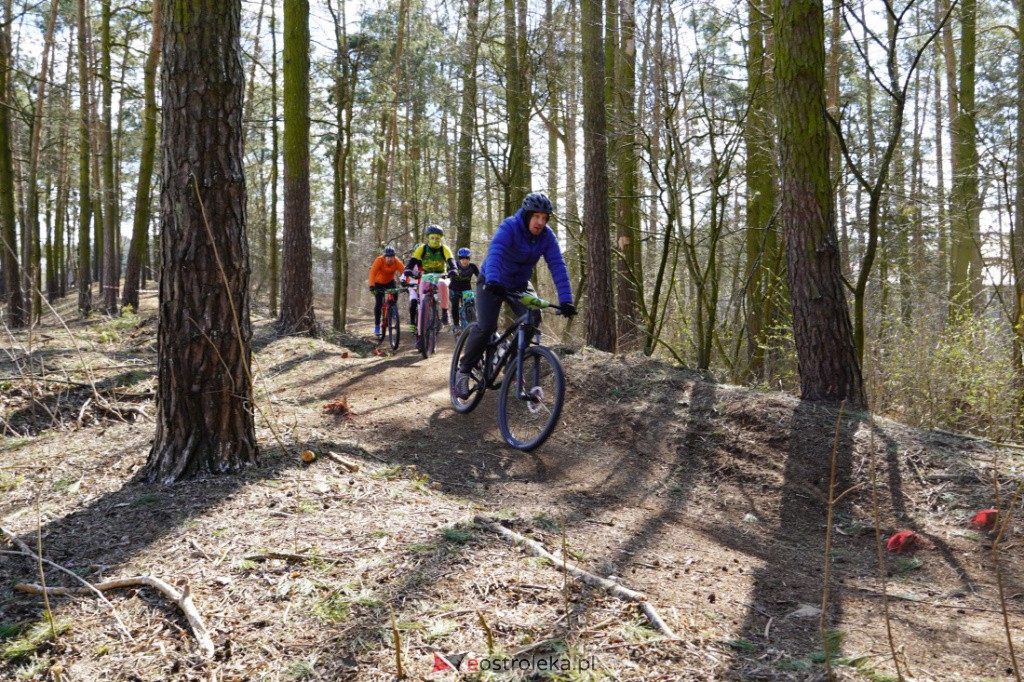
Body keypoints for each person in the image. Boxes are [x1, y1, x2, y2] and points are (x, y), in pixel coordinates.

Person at [454, 192, 576, 399]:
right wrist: (493, 279)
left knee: (533, 318)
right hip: (492, 281)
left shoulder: (547, 237)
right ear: (527, 215)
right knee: (486, 326)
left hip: (519, 284)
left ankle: (511, 364)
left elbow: (558, 267)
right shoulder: (510, 226)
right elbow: (495, 252)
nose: (540, 222)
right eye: (536, 217)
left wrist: (566, 300)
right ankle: (463, 371)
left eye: (544, 218)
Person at [404, 225, 458, 333]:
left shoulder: (444, 249)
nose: (435, 240)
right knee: (421, 305)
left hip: (441, 275)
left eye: (437, 238)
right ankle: (420, 335)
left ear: (440, 238)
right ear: (428, 238)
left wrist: (454, 269)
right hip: (426, 275)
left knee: (443, 284)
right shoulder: (422, 248)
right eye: (432, 238)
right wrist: (408, 269)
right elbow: (413, 260)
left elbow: (451, 260)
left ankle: (444, 312)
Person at [368, 245, 405, 336]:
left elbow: (404, 272)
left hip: (389, 282)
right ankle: (377, 326)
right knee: (379, 304)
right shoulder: (379, 260)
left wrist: (406, 282)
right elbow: (372, 272)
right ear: (385, 256)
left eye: (392, 257)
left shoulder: (396, 262)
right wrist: (372, 285)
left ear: (394, 257)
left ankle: (392, 310)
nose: (390, 259)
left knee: (395, 293)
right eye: (388, 257)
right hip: (378, 283)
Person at [448, 247, 480, 330]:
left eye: (467, 258)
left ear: (469, 259)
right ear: (459, 259)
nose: (465, 261)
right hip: (454, 289)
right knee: (455, 304)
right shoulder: (454, 265)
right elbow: (446, 272)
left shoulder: (472, 267)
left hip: (467, 289)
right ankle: (456, 324)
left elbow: (479, 277)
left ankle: (472, 321)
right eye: (462, 259)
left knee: (472, 305)